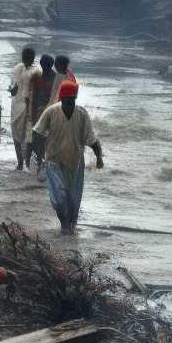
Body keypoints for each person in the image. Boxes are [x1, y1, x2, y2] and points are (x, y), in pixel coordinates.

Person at [31, 78, 102, 235]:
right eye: (67, 100)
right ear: (61, 98)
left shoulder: (82, 114)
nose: (70, 103)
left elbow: (91, 138)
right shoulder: (51, 112)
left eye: (72, 100)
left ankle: (69, 228)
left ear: (75, 99)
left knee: (73, 199)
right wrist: (40, 155)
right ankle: (64, 225)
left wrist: (99, 157)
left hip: (75, 162)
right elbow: (36, 133)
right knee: (59, 197)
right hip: (53, 161)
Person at [7, 48, 42, 170]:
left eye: (28, 58)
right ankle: (20, 162)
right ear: (22, 57)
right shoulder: (17, 68)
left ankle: (26, 161)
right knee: (16, 132)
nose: (26, 60)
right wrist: (12, 89)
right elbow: (12, 86)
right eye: (25, 57)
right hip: (16, 105)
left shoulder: (37, 71)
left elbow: (37, 90)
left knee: (28, 135)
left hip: (29, 105)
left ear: (32, 59)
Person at [30, 54, 56, 167]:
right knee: (36, 138)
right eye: (44, 65)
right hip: (38, 112)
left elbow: (56, 97)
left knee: (47, 138)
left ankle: (46, 161)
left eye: (47, 65)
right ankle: (40, 161)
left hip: (50, 112)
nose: (45, 67)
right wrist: (32, 113)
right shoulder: (38, 77)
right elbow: (34, 95)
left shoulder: (55, 79)